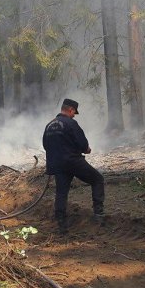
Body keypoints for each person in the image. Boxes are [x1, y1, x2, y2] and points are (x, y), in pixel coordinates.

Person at [42, 98, 104, 232]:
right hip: (73, 161)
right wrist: (86, 149)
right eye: (74, 112)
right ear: (70, 110)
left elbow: (46, 145)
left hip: (57, 164)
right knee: (98, 179)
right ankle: (98, 216)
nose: (74, 115)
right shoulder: (71, 123)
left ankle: (61, 224)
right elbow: (82, 144)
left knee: (61, 192)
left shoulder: (49, 125)